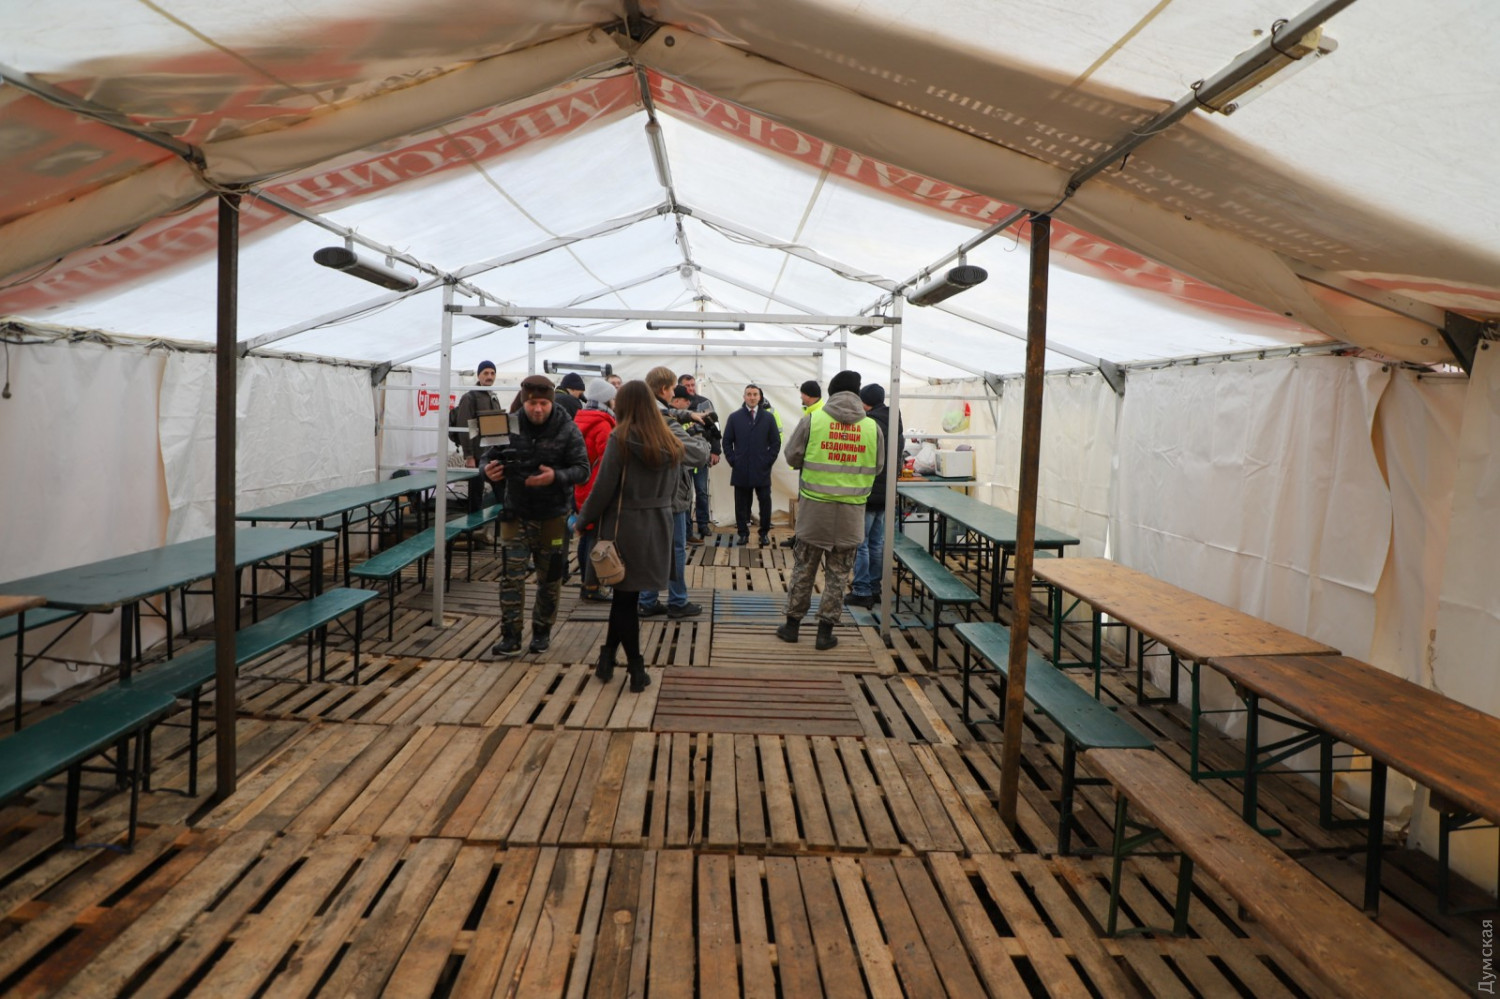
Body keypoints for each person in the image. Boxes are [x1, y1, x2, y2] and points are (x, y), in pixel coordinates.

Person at [576, 380, 685, 691]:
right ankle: (607, 658)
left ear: (624, 404)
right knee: (627, 598)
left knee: (624, 600)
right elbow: (675, 489)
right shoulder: (671, 439)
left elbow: (603, 488)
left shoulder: (620, 438)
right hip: (658, 526)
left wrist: (583, 520)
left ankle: (637, 668)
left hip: (624, 527)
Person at [482, 374, 590, 657]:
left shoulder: (567, 428)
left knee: (550, 578)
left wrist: (556, 476)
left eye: (543, 403)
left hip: (553, 516)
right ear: (524, 402)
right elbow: (486, 457)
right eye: (532, 403)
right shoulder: (508, 424)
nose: (538, 409)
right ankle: (511, 635)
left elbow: (583, 470)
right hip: (516, 513)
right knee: (511, 576)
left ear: (551, 402)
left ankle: (542, 631)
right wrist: (487, 470)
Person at [776, 369, 884, 650]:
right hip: (851, 515)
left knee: (804, 569)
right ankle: (824, 634)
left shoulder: (814, 420)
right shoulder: (872, 428)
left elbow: (792, 456)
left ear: (831, 392)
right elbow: (878, 466)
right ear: (857, 394)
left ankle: (792, 627)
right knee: (838, 575)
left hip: (814, 513)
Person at [639, 366, 712, 619]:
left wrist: (689, 415)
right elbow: (697, 454)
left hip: (648, 492)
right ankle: (678, 601)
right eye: (672, 389)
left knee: (652, 549)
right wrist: (701, 436)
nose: (675, 393)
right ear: (663, 389)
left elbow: (667, 412)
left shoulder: (642, 411)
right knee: (676, 549)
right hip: (670, 493)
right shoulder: (665, 422)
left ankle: (647, 600)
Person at [848, 383, 903, 608]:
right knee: (877, 543)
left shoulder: (869, 424)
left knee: (860, 544)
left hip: (868, 491)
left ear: (865, 402)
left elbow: (863, 456)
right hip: (887, 492)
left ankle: (861, 591)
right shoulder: (895, 421)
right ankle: (874, 587)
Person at [573, 378, 618, 601]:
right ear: (606, 399)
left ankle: (586, 582)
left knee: (586, 534)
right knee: (595, 537)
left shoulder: (580, 419)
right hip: (596, 487)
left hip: (581, 485)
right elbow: (609, 461)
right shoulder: (602, 424)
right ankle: (591, 586)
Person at [721, 383, 781, 546]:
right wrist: (733, 460)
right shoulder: (735, 417)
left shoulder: (768, 418)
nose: (752, 397)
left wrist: (768, 461)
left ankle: (764, 533)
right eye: (749, 394)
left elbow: (775, 442)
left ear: (760, 397)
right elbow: (727, 442)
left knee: (765, 502)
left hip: (762, 469)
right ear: (744, 397)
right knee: (741, 503)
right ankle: (743, 534)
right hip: (741, 468)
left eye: (755, 394)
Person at [450, 360, 500, 519]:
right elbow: (466, 427)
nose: (489, 376)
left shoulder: (493, 396)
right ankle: (473, 528)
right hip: (477, 455)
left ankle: (495, 523)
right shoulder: (470, 397)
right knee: (475, 495)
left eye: (492, 373)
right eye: (486, 373)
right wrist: (469, 456)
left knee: (499, 490)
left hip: (492, 453)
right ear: (478, 375)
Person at [677, 372, 721, 542]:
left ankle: (703, 524)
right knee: (685, 494)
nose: (690, 388)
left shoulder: (704, 403)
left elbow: (715, 428)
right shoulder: (677, 404)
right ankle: (687, 529)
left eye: (692, 385)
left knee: (702, 491)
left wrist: (715, 451)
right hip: (683, 457)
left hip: (701, 456)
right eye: (687, 386)